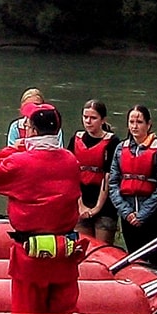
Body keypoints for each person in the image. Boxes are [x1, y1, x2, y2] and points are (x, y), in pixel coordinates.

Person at [0, 104, 85, 314]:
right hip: (64, 254)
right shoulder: (71, 161)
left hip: (30, 257)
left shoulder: (20, 161)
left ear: (33, 132)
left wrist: (16, 148)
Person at [109, 104, 157, 269]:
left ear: (148, 125)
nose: (135, 126)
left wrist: (143, 213)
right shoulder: (121, 148)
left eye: (139, 122)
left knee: (156, 262)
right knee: (134, 260)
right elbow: (113, 183)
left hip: (152, 216)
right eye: (132, 121)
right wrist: (126, 213)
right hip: (128, 214)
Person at [70, 101, 118, 245]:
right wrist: (80, 205)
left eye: (93, 118)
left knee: (102, 248)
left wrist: (97, 208)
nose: (88, 121)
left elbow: (108, 175)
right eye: (85, 117)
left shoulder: (112, 141)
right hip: (81, 200)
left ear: (103, 120)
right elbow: (72, 173)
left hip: (104, 205)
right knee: (83, 247)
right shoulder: (76, 138)